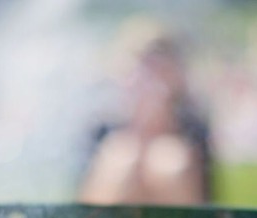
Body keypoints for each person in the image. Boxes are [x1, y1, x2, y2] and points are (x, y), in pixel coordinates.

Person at [78, 17, 212, 206]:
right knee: (120, 160)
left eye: (160, 69)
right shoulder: (102, 130)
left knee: (169, 163)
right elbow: (82, 209)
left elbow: (205, 209)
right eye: (142, 68)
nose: (149, 80)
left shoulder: (192, 132)